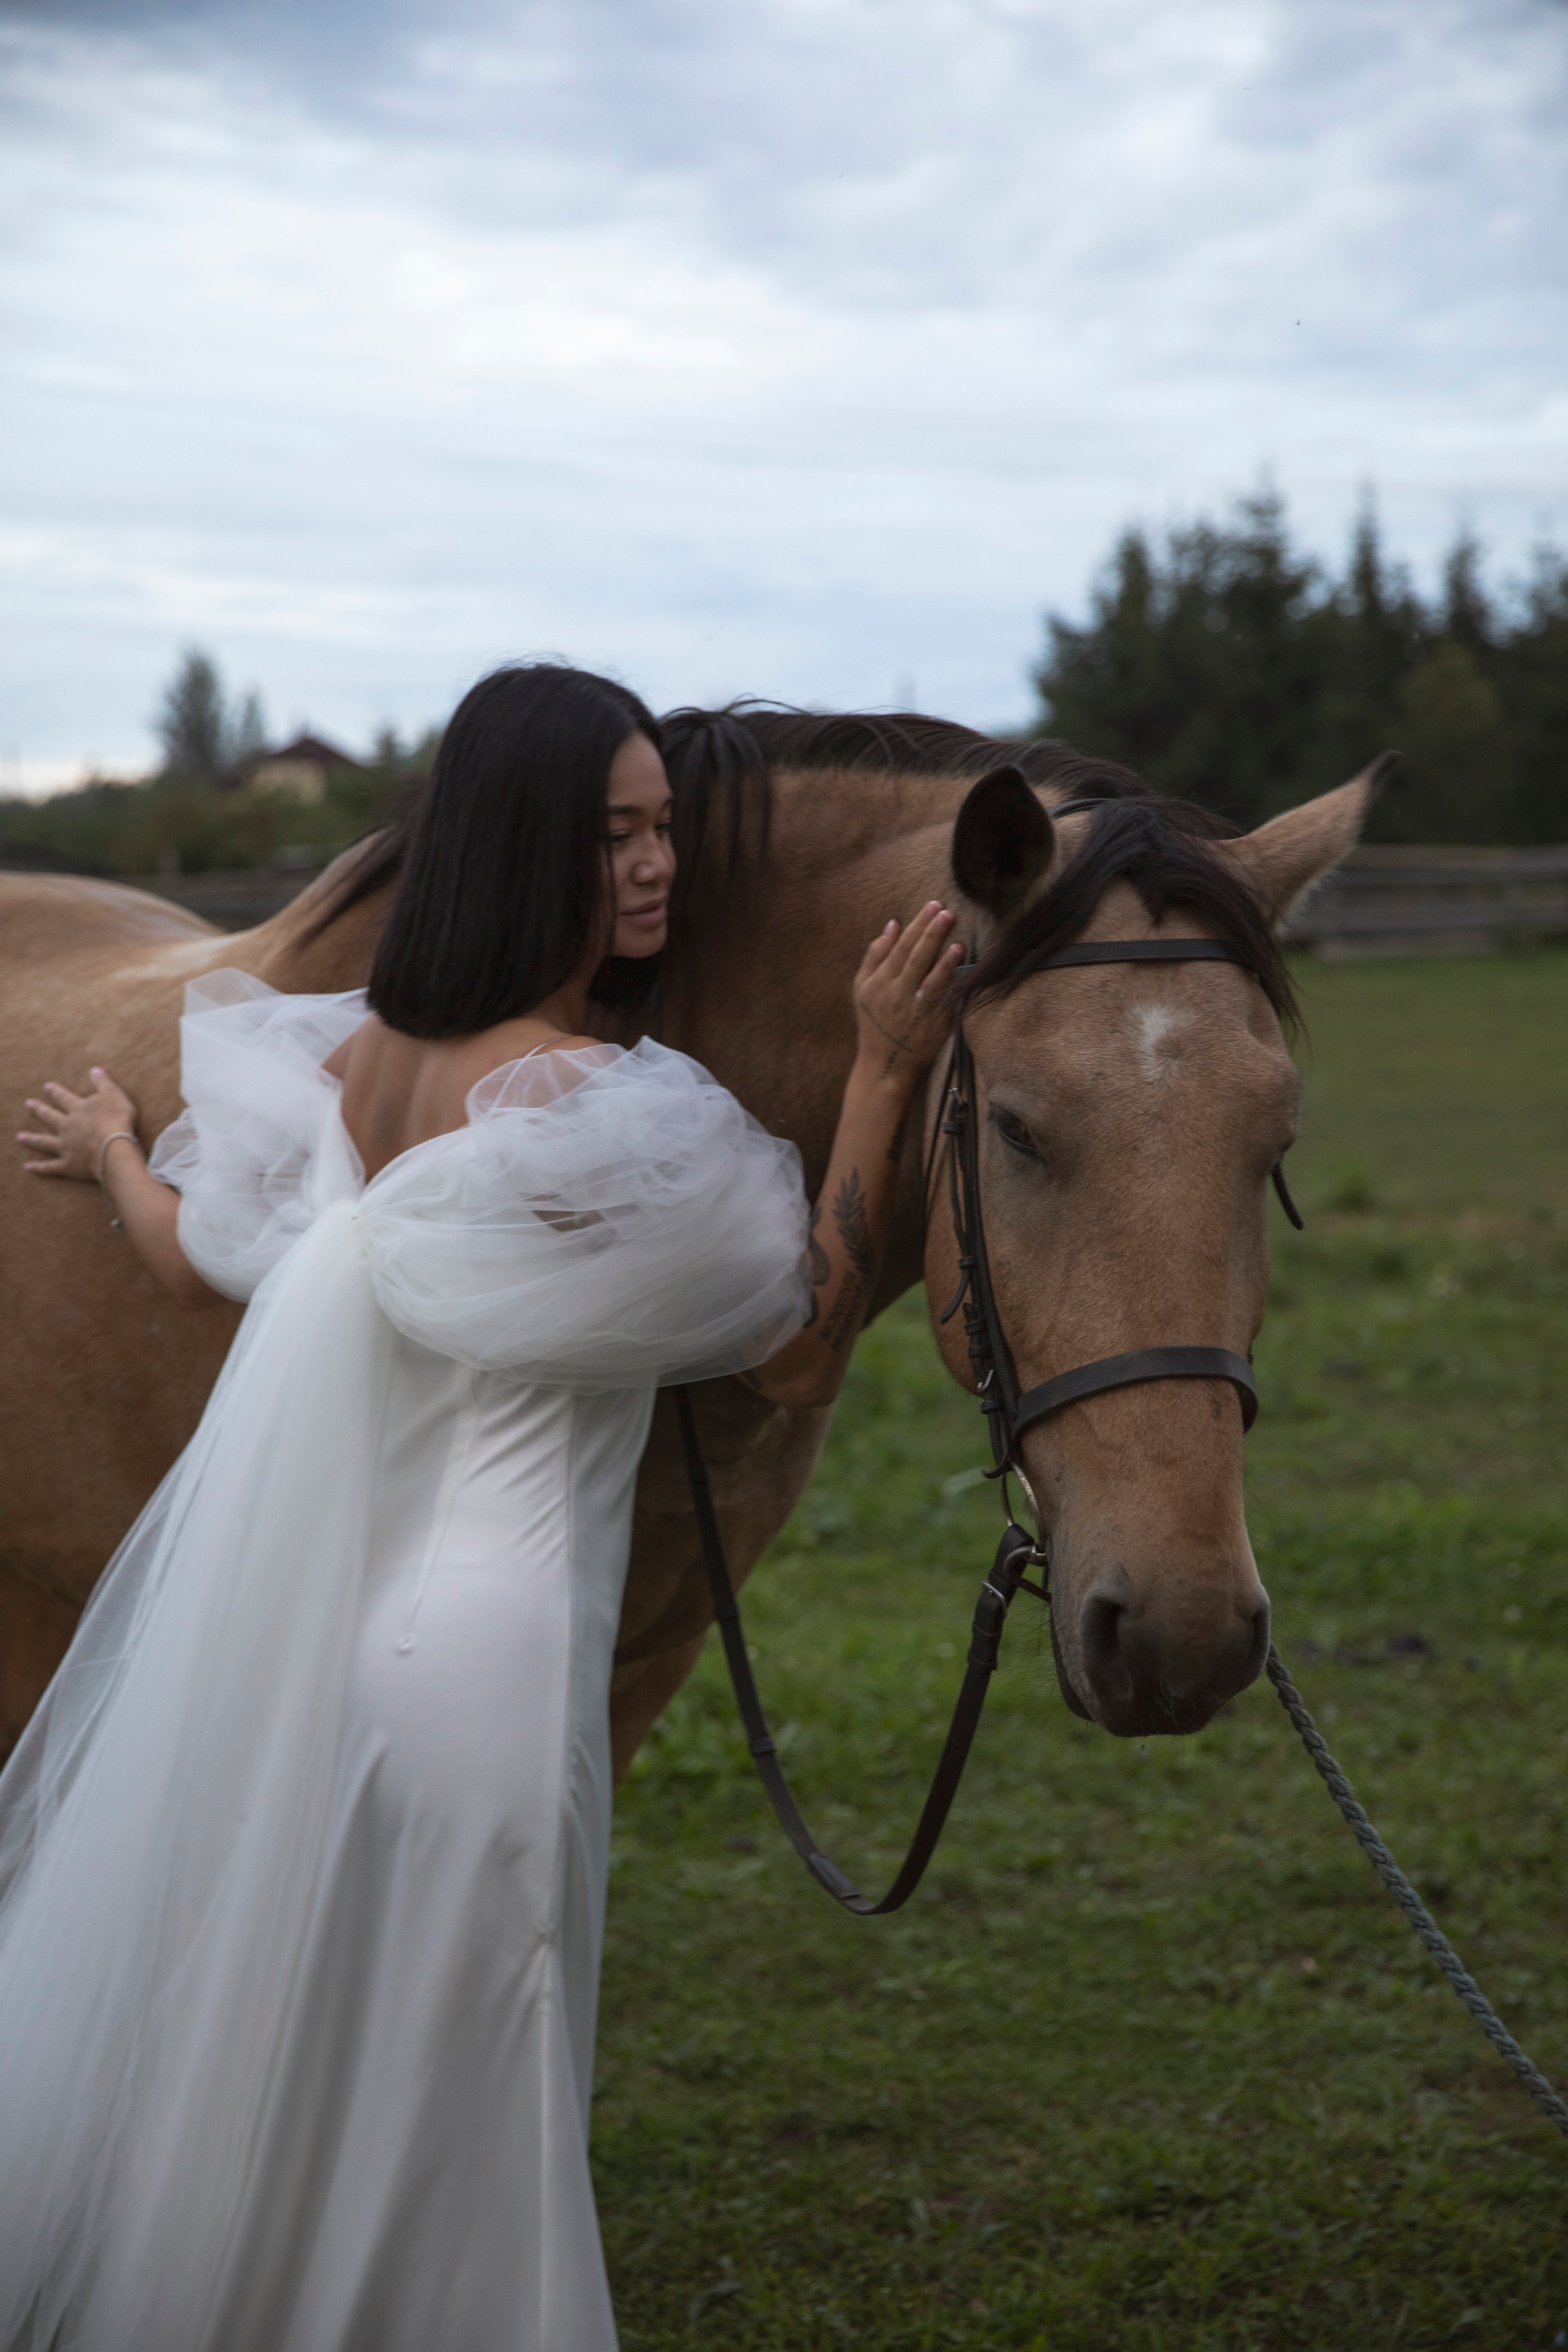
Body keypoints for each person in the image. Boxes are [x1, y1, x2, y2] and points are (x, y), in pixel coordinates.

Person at [1, 662, 962, 2352]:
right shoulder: (589, 1108)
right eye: (612, 836)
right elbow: (803, 1348)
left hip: (355, 1633)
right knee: (485, 2059)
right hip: (498, 1652)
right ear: (526, 849)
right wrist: (884, 1068)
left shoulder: (360, 1060)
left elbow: (208, 1258)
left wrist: (117, 1159)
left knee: (342, 2036)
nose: (654, 866)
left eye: (661, 829)